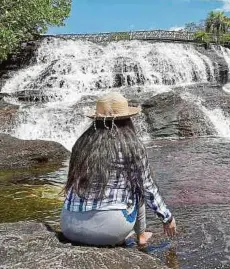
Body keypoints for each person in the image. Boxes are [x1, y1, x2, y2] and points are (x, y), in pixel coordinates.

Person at [61, 92, 176, 246]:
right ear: (127, 119)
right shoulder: (132, 146)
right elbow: (148, 187)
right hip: (108, 231)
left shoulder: (81, 143)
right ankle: (141, 236)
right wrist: (167, 218)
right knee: (138, 186)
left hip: (69, 226)